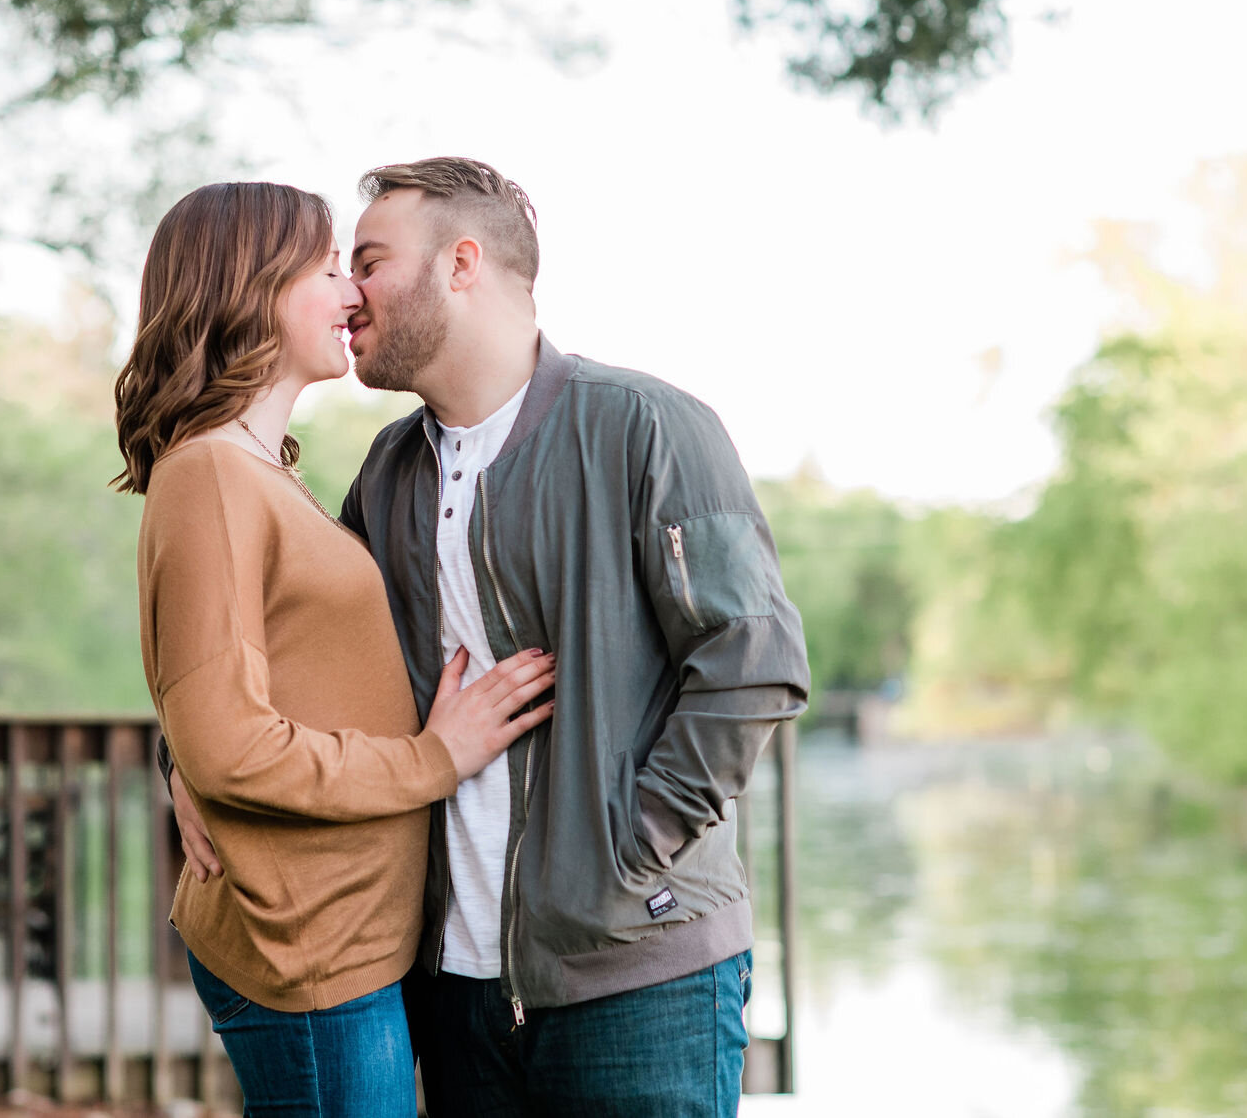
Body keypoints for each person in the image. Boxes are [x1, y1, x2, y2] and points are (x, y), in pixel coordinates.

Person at [172, 159, 809, 1117]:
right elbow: (278, 649)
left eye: (371, 260)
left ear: (461, 262)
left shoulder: (646, 427)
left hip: (635, 974)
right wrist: (184, 760)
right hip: (450, 985)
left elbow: (753, 662)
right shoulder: (388, 472)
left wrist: (628, 846)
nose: (350, 292)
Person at [115, 180, 557, 1118]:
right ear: (252, 288)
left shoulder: (255, 472)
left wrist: (181, 760)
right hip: (302, 955)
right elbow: (229, 741)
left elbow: (221, 701)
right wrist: (433, 759)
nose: (353, 293)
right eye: (328, 269)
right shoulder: (210, 476)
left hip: (342, 946)